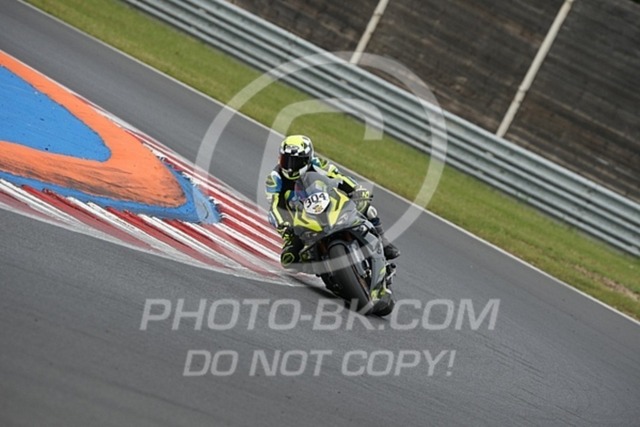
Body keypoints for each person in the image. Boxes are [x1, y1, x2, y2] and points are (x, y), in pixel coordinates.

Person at [265, 135, 400, 269]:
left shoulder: (319, 164)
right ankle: (319, 265)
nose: (289, 167)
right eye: (286, 160)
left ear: (307, 159)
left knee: (369, 210)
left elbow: (340, 178)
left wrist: (356, 190)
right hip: (299, 220)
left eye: (294, 162)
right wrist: (284, 225)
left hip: (327, 205)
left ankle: (383, 242)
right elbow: (275, 206)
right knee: (289, 260)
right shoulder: (275, 178)